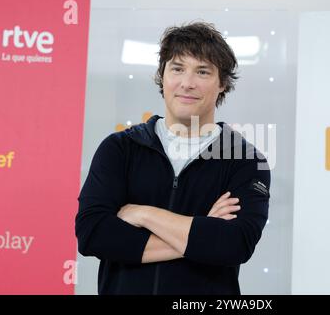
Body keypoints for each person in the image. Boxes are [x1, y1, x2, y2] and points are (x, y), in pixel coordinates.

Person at [75, 21, 271, 295]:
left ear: (223, 83)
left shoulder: (246, 160)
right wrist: (202, 230)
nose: (187, 83)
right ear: (162, 76)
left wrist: (143, 213)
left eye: (202, 72)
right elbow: (92, 234)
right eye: (177, 69)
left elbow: (234, 245)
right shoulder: (120, 148)